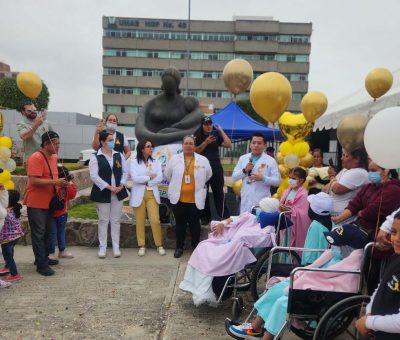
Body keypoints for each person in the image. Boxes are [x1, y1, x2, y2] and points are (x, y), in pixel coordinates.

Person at [228, 224, 369, 340]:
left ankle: (267, 337)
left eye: (337, 244)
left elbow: (336, 285)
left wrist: (305, 280)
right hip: (309, 286)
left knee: (283, 303)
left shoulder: (350, 266)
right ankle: (255, 327)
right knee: (276, 289)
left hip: (321, 294)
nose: (333, 247)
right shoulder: (335, 256)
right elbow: (315, 271)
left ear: (347, 248)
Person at [332, 161, 400, 293]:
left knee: (379, 278)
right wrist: (339, 218)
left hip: (383, 243)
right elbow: (355, 203)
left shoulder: (394, 190)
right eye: (369, 170)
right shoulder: (369, 187)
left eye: (374, 170)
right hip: (367, 240)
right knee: (367, 275)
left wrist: (361, 212)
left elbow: (373, 211)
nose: (370, 174)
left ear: (385, 170)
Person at [24, 131, 68, 276]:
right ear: (46, 144)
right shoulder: (36, 157)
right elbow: (34, 180)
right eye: (56, 144)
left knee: (47, 233)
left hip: (49, 203)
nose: (58, 146)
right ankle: (41, 265)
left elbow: (53, 176)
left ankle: (41, 258)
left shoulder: (53, 158)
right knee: (39, 233)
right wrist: (55, 182)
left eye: (59, 143)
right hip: (36, 202)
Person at [164, 135, 212, 258]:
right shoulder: (175, 159)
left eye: (191, 143)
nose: (188, 145)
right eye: (186, 143)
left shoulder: (203, 160)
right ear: (182, 145)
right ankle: (179, 247)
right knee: (180, 224)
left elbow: (208, 175)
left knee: (195, 225)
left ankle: (195, 247)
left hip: (195, 200)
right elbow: (167, 175)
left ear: (194, 145)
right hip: (178, 199)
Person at [355, 211, 400, 339]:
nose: (396, 239)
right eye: (394, 232)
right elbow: (381, 286)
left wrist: (369, 323)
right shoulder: (395, 257)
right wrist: (369, 313)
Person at [135, 67, 203, 146]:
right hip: (154, 146)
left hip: (179, 146)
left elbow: (199, 120)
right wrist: (161, 137)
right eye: (166, 84)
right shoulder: (150, 104)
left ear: (177, 86)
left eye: (171, 84)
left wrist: (168, 133)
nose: (168, 87)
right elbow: (140, 132)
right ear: (162, 84)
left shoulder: (186, 104)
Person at [89, 130, 128, 258]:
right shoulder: (95, 156)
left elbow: (125, 172)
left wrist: (120, 185)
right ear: (102, 142)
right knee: (103, 220)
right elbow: (94, 176)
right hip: (102, 193)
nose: (113, 142)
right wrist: (108, 187)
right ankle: (103, 248)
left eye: (113, 140)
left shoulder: (119, 155)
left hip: (118, 192)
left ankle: (116, 247)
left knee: (115, 220)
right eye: (110, 140)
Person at [129, 139, 165, 257]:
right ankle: (142, 245)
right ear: (142, 149)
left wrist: (146, 179)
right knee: (140, 221)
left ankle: (159, 245)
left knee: (155, 220)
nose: (151, 148)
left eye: (151, 146)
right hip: (138, 194)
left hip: (151, 193)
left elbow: (159, 177)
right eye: (148, 146)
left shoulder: (156, 162)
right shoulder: (134, 162)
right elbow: (134, 178)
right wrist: (149, 177)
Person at [194, 116, 232, 224]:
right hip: (202, 168)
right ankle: (205, 218)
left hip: (216, 167)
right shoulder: (197, 136)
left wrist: (220, 130)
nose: (208, 126)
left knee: (219, 192)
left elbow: (228, 144)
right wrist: (205, 142)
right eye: (206, 124)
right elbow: (195, 151)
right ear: (202, 126)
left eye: (210, 124)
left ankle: (224, 217)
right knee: (203, 194)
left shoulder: (216, 134)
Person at [232, 133, 281, 214]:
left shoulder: (270, 160)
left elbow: (277, 181)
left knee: (259, 224)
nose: (256, 145)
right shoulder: (243, 158)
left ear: (265, 145)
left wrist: (263, 178)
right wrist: (244, 170)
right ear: (250, 144)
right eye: (253, 143)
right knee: (245, 223)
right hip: (246, 198)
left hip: (262, 200)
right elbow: (234, 177)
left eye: (259, 143)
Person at [322, 148, 369, 216]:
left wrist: (332, 177)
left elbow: (336, 189)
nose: (341, 158)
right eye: (343, 155)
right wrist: (333, 181)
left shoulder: (360, 172)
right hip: (334, 215)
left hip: (345, 217)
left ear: (357, 159)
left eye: (346, 156)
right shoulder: (345, 170)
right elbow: (325, 189)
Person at [47, 166, 77, 260]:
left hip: (61, 213)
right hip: (52, 213)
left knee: (59, 232)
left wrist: (69, 184)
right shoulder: (51, 184)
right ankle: (51, 252)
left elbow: (72, 195)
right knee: (52, 233)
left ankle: (61, 251)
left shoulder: (67, 186)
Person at [279, 167, 310, 248]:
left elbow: (303, 214)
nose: (290, 180)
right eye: (289, 177)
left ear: (301, 180)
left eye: (293, 178)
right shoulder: (287, 191)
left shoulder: (303, 194)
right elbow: (282, 203)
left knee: (291, 247)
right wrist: (281, 207)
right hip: (285, 224)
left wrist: (290, 211)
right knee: (284, 245)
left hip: (294, 226)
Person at [301, 192, 334, 265]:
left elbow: (310, 253)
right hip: (326, 265)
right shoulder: (333, 223)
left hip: (313, 267)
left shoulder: (315, 225)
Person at [0, 190, 24, 283]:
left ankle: (14, 274)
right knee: (10, 253)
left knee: (8, 256)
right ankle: (7, 267)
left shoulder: (4, 212)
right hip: (16, 236)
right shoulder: (15, 209)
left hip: (7, 239)